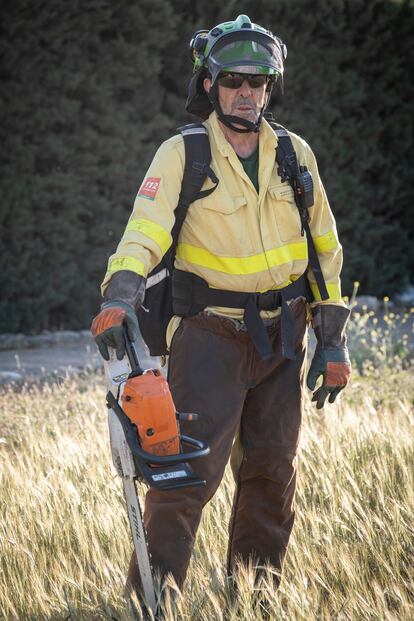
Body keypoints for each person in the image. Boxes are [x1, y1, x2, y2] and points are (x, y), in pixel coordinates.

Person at [91, 13, 351, 600]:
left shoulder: (294, 153)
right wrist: (119, 294)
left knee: (271, 476)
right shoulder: (184, 153)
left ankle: (254, 600)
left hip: (286, 340)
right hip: (209, 339)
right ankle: (152, 602)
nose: (246, 93)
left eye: (258, 83)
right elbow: (144, 230)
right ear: (209, 83)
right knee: (184, 479)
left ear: (270, 86)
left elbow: (325, 247)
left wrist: (331, 338)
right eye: (233, 81)